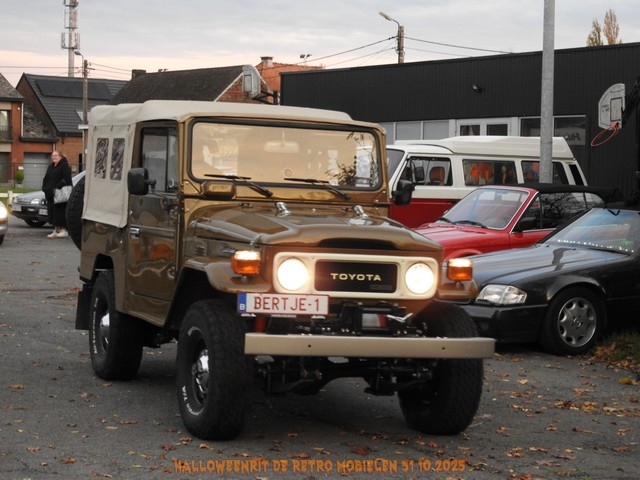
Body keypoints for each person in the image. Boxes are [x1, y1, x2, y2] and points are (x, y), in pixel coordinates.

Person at [41, 151, 73, 238]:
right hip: (50, 194)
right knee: (53, 212)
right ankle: (56, 230)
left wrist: (57, 187)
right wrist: (44, 188)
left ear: (60, 156)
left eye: (56, 155)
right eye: (52, 155)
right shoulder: (50, 167)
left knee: (60, 211)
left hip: (60, 194)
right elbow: (46, 178)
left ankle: (64, 230)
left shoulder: (64, 166)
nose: (54, 157)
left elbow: (66, 179)